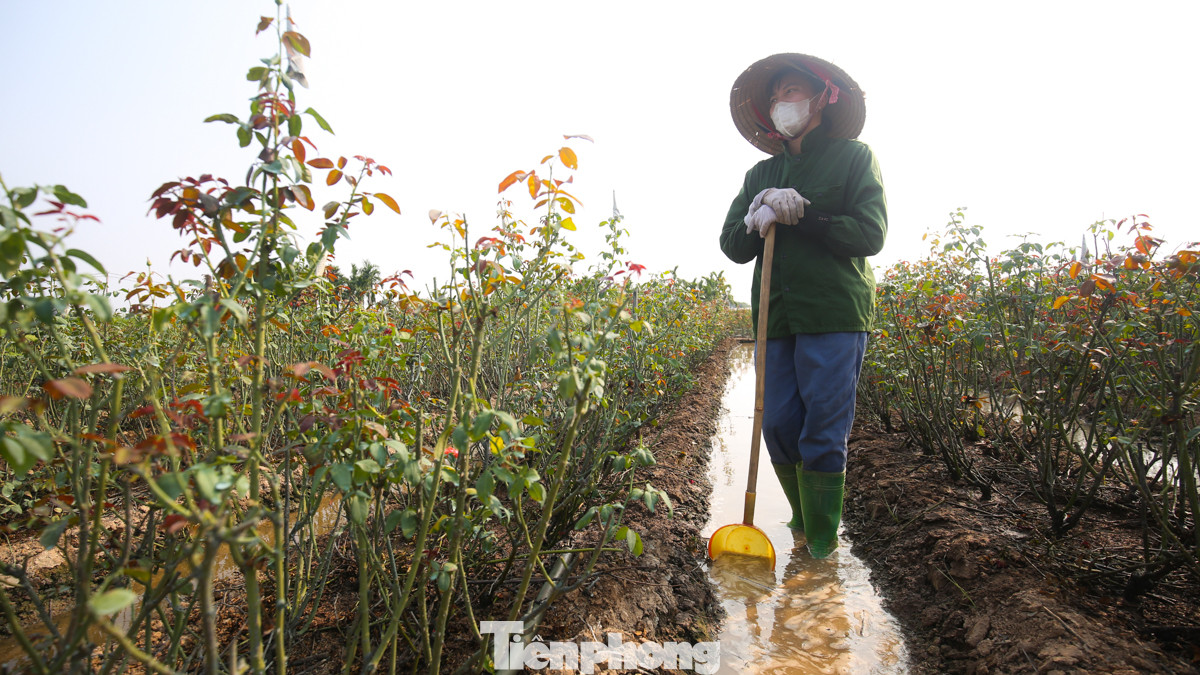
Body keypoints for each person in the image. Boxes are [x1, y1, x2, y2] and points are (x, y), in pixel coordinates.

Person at [720, 53, 887, 558]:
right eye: (775, 95)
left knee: (823, 430)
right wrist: (756, 216)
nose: (780, 102)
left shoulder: (854, 159)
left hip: (833, 313)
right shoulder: (759, 175)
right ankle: (802, 518)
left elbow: (870, 234)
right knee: (777, 423)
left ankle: (820, 544)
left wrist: (804, 215)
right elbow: (732, 246)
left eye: (791, 91)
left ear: (821, 98)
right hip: (775, 317)